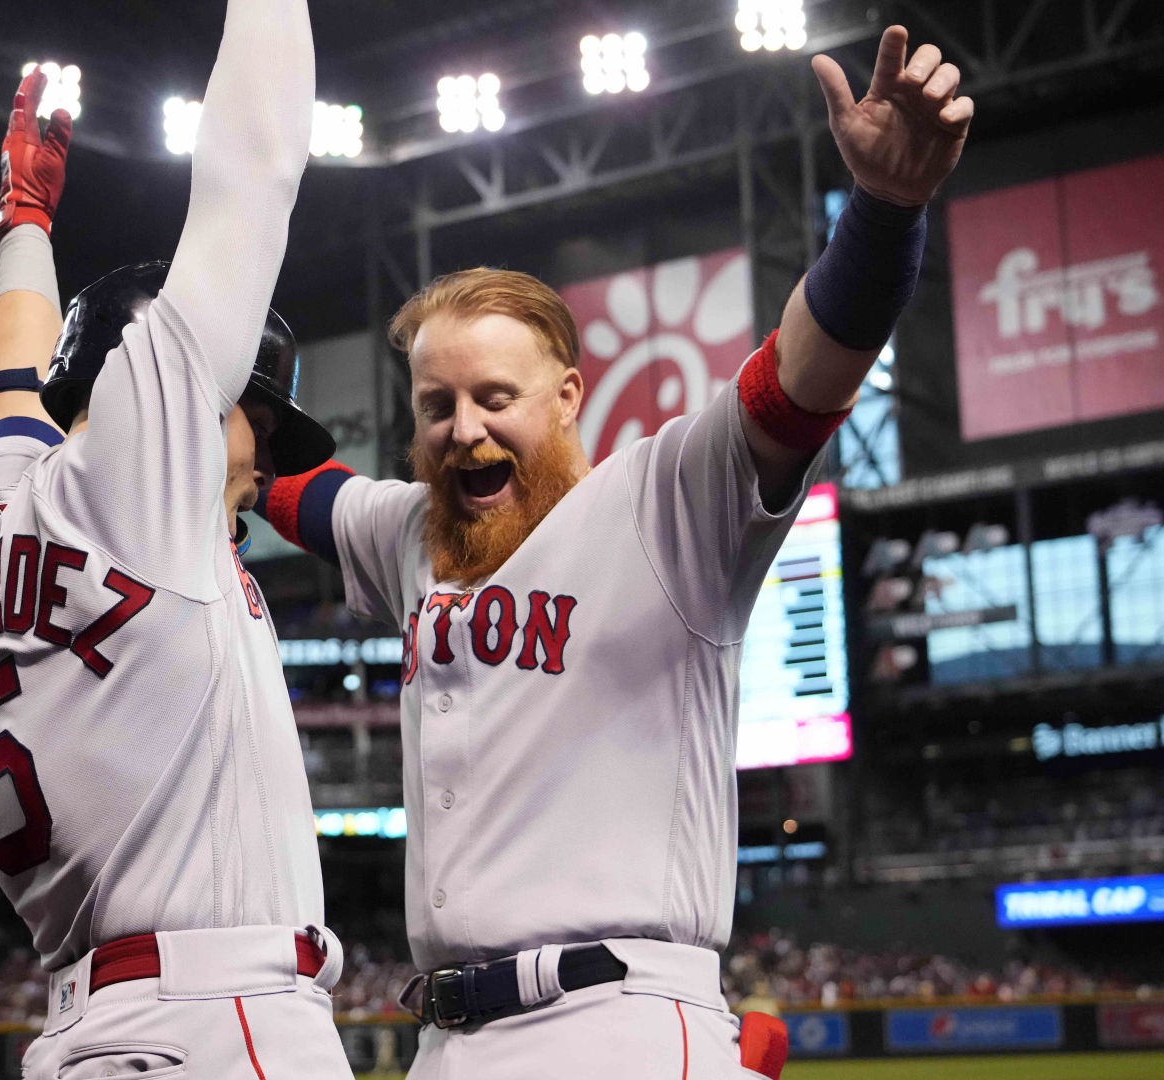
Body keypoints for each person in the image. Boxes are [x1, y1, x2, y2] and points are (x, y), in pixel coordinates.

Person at [257, 25, 971, 1078]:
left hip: (611, 1026)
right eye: (436, 404)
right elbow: (286, 489)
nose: (463, 428)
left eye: (495, 398)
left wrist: (883, 213)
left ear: (567, 398)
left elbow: (802, 379)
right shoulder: (414, 532)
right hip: (447, 1043)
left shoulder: (667, 506)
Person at [0, 0, 351, 1073]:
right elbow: (254, 167)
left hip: (93, 1028)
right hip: (220, 1023)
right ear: (185, 410)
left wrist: (23, 214)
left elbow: (11, 388)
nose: (266, 467)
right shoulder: (144, 475)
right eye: (262, 421)